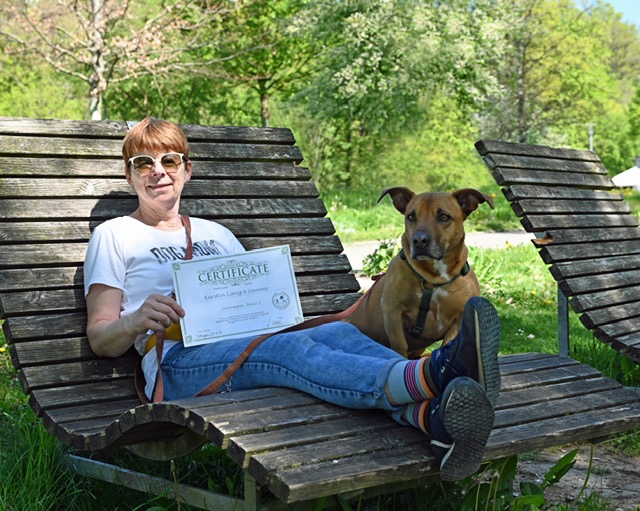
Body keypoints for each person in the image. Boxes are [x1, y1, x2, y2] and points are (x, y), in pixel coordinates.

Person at [84, 117, 501, 482]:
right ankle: (434, 374)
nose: (158, 172)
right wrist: (137, 319)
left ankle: (432, 419)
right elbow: (101, 339)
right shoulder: (116, 235)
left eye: (170, 160)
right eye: (144, 163)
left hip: (244, 345)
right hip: (178, 364)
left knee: (339, 333)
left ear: (187, 170)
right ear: (130, 176)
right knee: (288, 351)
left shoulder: (217, 235)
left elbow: (254, 303)